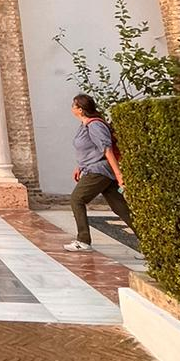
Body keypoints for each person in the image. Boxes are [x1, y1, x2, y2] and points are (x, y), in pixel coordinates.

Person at [65, 93, 136, 250]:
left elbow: (106, 150)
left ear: (81, 109)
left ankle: (83, 240)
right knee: (120, 207)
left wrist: (119, 175)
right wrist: (80, 166)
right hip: (93, 168)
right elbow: (88, 149)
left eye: (73, 105)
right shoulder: (84, 125)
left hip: (99, 170)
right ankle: (149, 243)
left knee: (77, 199)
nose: (72, 108)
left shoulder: (95, 125)